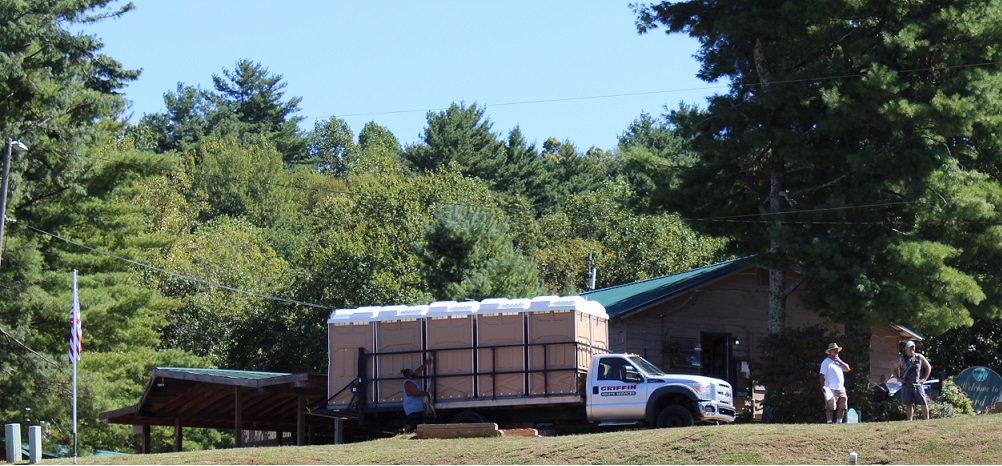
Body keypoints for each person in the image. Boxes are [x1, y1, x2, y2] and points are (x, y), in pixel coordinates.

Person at [891, 340, 932, 420]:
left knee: (923, 402)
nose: (912, 349)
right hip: (906, 384)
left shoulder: (919, 357)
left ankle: (927, 420)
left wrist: (924, 378)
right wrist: (898, 378)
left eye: (913, 347)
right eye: (910, 347)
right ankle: (909, 420)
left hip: (917, 384)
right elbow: (893, 368)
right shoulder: (902, 359)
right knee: (908, 404)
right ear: (907, 348)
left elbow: (928, 367)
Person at [819, 342, 851, 423]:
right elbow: (821, 374)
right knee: (830, 406)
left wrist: (839, 361)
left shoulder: (838, 362)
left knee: (842, 406)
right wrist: (823, 386)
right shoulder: (826, 362)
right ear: (830, 352)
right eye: (833, 350)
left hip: (841, 388)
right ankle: (829, 422)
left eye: (837, 350)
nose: (836, 352)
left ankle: (839, 422)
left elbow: (847, 369)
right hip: (830, 388)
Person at [400, 358, 433, 434]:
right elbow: (415, 393)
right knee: (411, 421)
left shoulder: (412, 380)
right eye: (412, 372)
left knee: (415, 422)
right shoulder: (408, 383)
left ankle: (411, 433)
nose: (413, 372)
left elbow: (418, 371)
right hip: (412, 407)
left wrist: (425, 364)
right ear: (409, 375)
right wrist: (425, 393)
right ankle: (405, 433)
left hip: (417, 407)